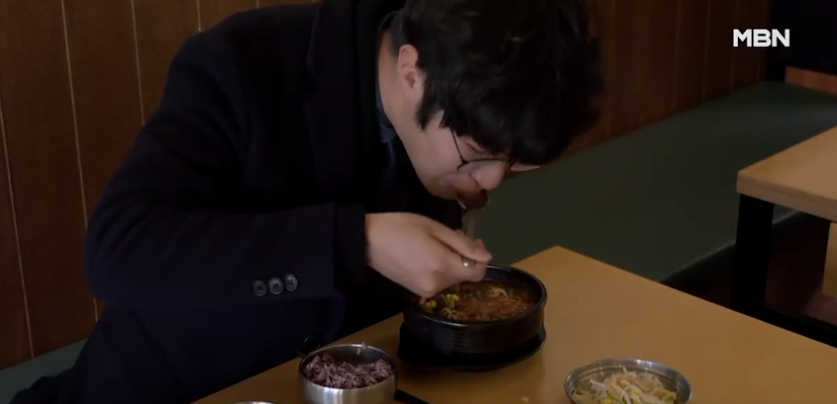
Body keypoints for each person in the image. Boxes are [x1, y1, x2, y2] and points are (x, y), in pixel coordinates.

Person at [11, 0, 603, 403]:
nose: (493, 180)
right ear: (411, 72)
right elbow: (117, 253)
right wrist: (357, 240)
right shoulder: (243, 65)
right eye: (476, 153)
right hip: (171, 386)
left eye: (517, 164)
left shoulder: (465, 88)